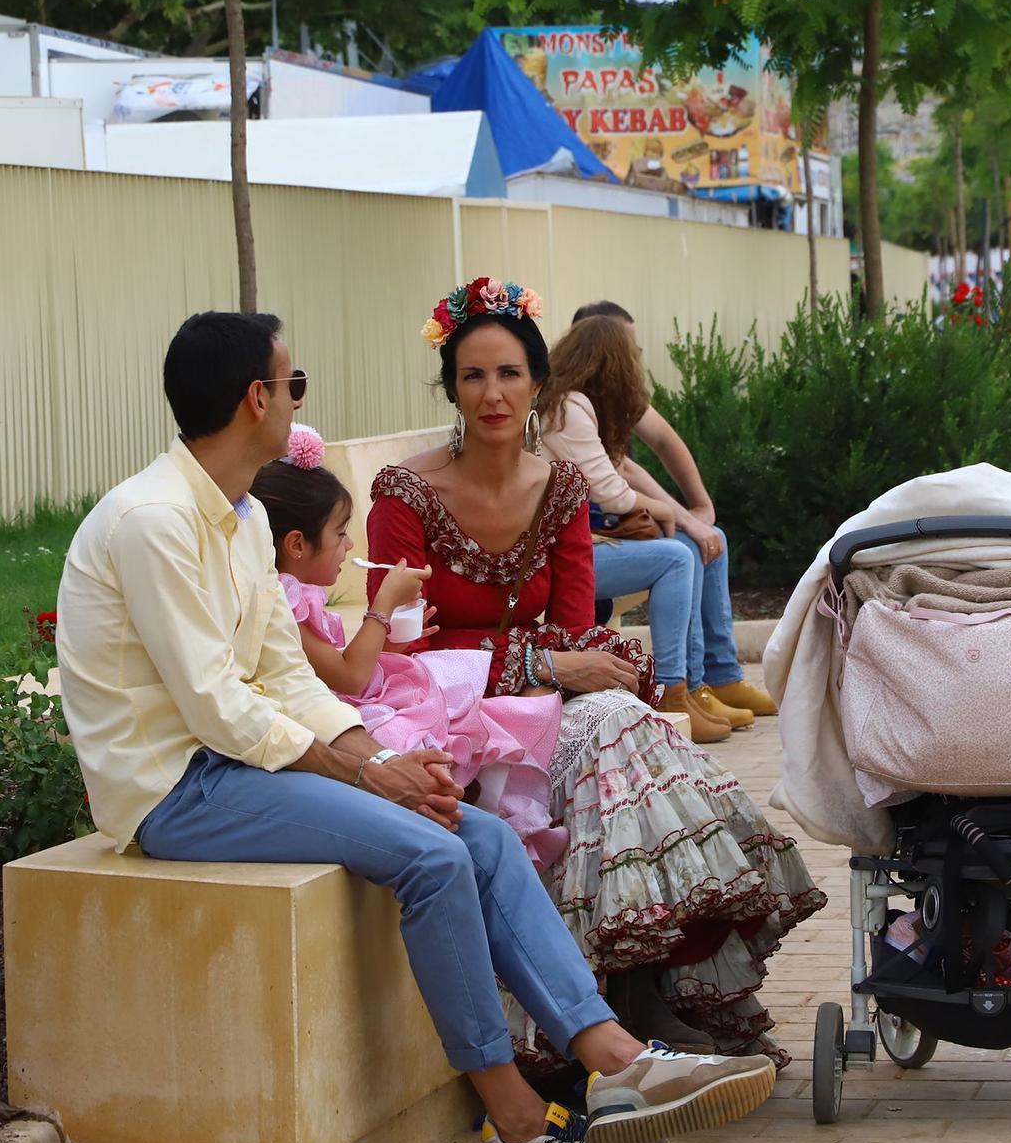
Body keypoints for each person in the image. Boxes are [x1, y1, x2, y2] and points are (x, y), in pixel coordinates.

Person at [56, 311, 786, 1143]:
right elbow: (216, 708)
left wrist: (384, 755)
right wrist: (371, 773)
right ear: (257, 399)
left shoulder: (243, 518)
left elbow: (285, 678)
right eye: (295, 385)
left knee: (474, 833)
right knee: (436, 858)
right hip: (176, 788)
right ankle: (514, 1124)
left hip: (237, 765)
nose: (296, 400)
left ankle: (616, 1057)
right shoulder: (153, 522)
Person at [369, 277, 826, 1073]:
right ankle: (643, 1000)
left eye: (510, 374)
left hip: (548, 712)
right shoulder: (404, 495)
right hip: (445, 723)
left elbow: (580, 627)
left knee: (618, 724)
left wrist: (571, 663)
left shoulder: (565, 488)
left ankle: (638, 993)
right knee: (616, 729)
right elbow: (402, 661)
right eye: (473, 375)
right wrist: (546, 661)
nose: (493, 394)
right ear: (451, 388)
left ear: (539, 385)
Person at [249, 423, 565, 870]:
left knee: (457, 682)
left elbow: (343, 666)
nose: (349, 545)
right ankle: (471, 807)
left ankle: (481, 802)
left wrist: (396, 644)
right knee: (428, 719)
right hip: (336, 722)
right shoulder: (284, 601)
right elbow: (349, 677)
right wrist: (382, 605)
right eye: (340, 534)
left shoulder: (297, 595)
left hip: (344, 702)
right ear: (297, 544)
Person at [540, 305, 772, 743]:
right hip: (559, 557)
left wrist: (693, 514)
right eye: (632, 354)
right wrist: (671, 514)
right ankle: (672, 691)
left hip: (583, 543)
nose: (638, 365)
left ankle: (712, 680)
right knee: (676, 557)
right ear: (611, 360)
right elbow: (612, 490)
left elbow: (626, 468)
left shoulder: (580, 404)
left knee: (703, 539)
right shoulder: (568, 409)